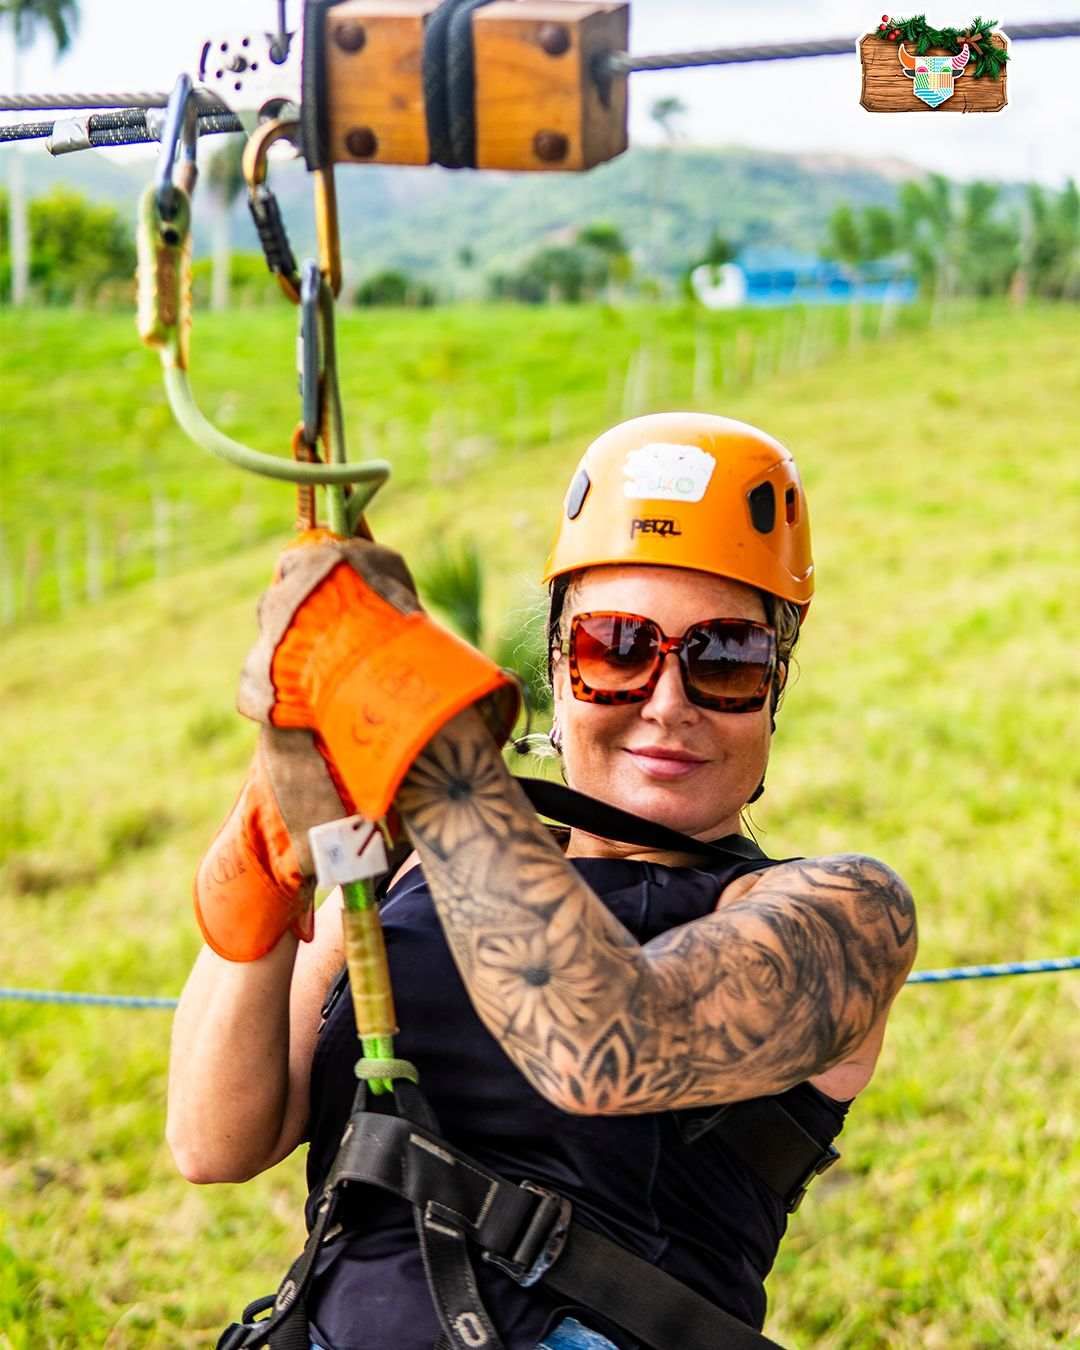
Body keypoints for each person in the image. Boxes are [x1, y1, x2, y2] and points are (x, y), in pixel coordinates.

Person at [167, 412, 917, 1350]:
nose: (669, 702)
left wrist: (427, 750)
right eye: (619, 649)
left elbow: (601, 1044)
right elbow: (213, 1142)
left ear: (776, 687)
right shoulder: (408, 871)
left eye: (726, 658)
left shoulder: (843, 917)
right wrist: (265, 871)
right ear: (557, 670)